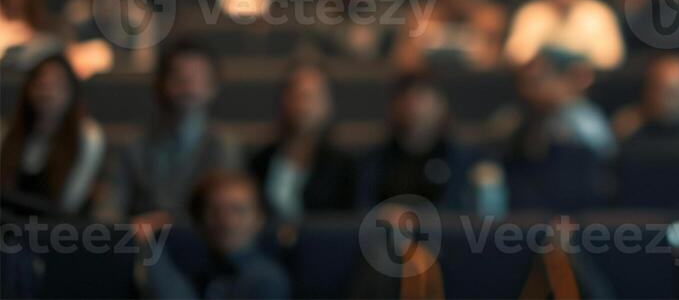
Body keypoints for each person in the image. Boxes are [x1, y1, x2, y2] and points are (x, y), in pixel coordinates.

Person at [109, 40, 241, 217]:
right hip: (142, 238)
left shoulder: (225, 147)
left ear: (213, 86)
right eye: (179, 76)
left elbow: (229, 214)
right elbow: (110, 208)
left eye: (197, 76)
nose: (188, 86)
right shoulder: (134, 145)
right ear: (160, 84)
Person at [135, 170, 291, 300]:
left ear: (259, 219)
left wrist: (150, 246)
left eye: (239, 210)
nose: (227, 222)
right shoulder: (196, 267)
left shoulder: (265, 280)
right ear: (199, 220)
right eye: (215, 211)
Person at [247, 63, 356, 221]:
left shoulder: (345, 168)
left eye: (312, 96)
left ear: (328, 104)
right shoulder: (259, 163)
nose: (304, 105)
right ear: (283, 100)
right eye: (297, 94)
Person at [0, 54, 106, 214]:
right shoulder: (8, 130)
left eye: (56, 85)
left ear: (71, 92)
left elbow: (70, 203)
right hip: (8, 226)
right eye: (42, 84)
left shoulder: (88, 136)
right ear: (29, 89)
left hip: (59, 229)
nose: (47, 93)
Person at [356, 71, 478, 211]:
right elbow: (362, 210)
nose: (414, 106)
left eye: (422, 96)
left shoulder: (464, 160)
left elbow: (463, 210)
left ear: (441, 104)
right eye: (406, 96)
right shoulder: (374, 162)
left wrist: (419, 218)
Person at [504, 0, 624, 71]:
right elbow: (515, 54)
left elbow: (612, 57)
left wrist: (578, 61)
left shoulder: (599, 13)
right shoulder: (530, 13)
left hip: (589, 83)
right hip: (541, 84)